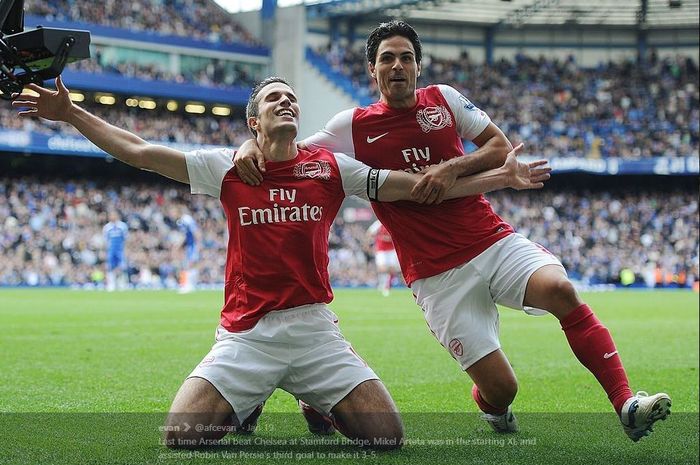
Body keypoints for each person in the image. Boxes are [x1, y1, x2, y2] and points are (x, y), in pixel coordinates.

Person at [13, 75, 549, 449]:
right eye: (274, 99)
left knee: (388, 436)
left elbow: (417, 189)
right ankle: (253, 399)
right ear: (254, 121)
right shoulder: (227, 167)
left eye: (292, 98)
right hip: (247, 333)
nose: (287, 103)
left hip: (315, 329)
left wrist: (496, 178)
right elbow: (138, 149)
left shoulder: (332, 168)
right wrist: (70, 113)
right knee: (182, 436)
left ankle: (310, 399)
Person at [233, 21, 671, 442]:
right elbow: (287, 150)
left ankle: (626, 404)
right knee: (502, 389)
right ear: (373, 70)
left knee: (561, 289)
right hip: (436, 275)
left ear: (419, 67)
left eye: (406, 58)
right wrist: (248, 143)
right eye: (387, 59)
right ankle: (494, 408)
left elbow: (499, 147)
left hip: (489, 238)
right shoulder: (353, 127)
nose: (397, 66)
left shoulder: (444, 100)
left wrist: (449, 167)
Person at [366, 220, 400, 296]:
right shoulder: (378, 223)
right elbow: (369, 233)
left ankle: (387, 286)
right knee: (382, 268)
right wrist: (369, 244)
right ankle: (383, 283)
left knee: (392, 269)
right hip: (381, 249)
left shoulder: (393, 222)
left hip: (392, 249)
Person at [102, 210, 129, 291]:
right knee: (110, 268)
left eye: (114, 215)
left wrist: (126, 250)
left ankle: (123, 284)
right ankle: (111, 285)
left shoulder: (123, 226)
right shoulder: (107, 227)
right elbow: (105, 241)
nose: (112, 217)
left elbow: (126, 239)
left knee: (122, 267)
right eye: (111, 215)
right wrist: (105, 251)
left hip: (120, 250)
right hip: (111, 250)